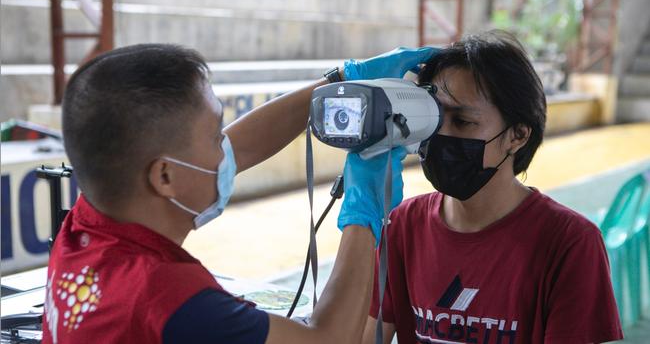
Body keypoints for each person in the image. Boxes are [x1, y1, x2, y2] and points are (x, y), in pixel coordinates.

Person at [41, 43, 434, 344]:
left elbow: (240, 148)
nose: (225, 149)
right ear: (164, 176)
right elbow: (329, 339)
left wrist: (337, 82)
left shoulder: (86, 223)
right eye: (215, 137)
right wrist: (364, 211)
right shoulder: (168, 298)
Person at [361, 31, 624, 344]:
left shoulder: (570, 244)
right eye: (434, 118)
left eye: (462, 121)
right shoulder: (402, 226)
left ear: (518, 135)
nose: (440, 135)